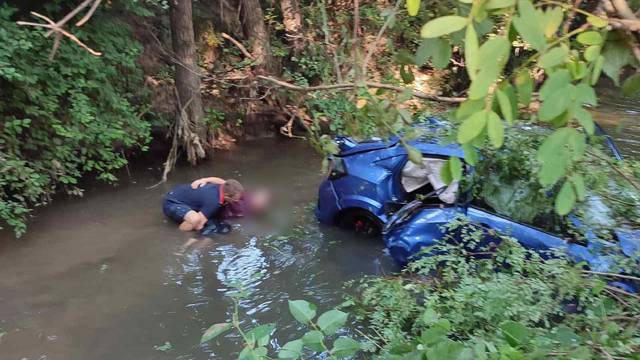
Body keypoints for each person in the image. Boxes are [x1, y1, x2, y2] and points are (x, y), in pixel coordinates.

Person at [162, 177, 244, 232]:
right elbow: (199, 225)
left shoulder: (225, 186)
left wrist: (204, 180)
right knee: (195, 219)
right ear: (226, 196)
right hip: (172, 202)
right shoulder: (214, 202)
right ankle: (178, 235)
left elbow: (219, 180)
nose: (236, 201)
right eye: (235, 199)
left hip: (178, 192)